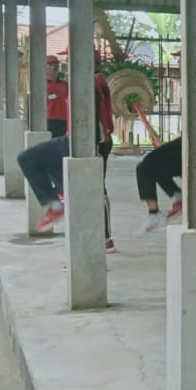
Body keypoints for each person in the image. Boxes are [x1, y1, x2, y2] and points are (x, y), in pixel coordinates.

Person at [21, 60, 117, 250]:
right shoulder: (63, 85)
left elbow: (98, 119)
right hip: (70, 135)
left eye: (58, 65)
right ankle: (58, 200)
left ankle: (103, 238)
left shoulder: (92, 84)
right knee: (31, 159)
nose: (60, 67)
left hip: (90, 141)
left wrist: (95, 146)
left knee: (96, 190)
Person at [44, 55, 68, 138]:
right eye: (50, 65)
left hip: (64, 120)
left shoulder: (65, 85)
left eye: (56, 65)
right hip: (50, 121)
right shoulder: (42, 86)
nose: (54, 68)